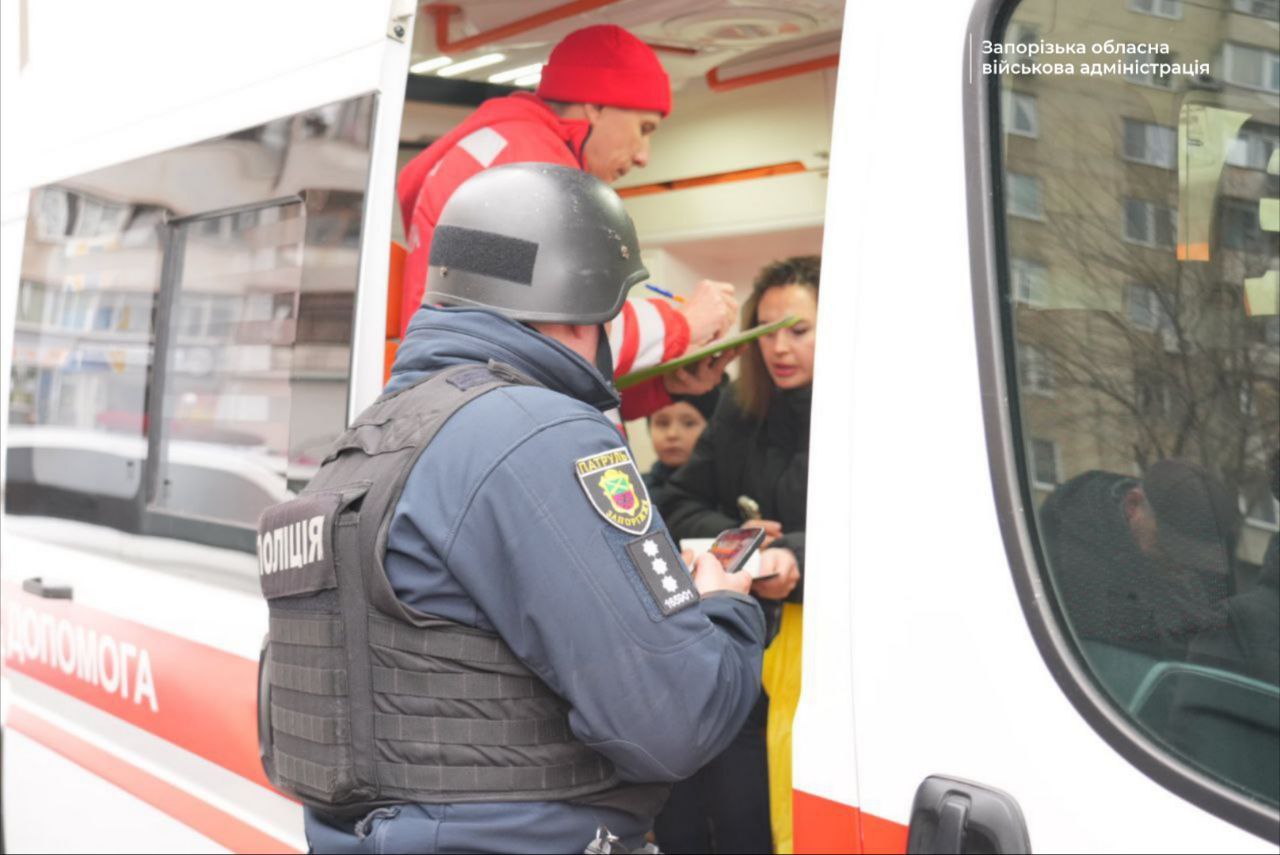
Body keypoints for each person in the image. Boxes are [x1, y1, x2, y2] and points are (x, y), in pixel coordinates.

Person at [258, 164, 766, 854]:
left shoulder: (364, 446)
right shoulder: (542, 432)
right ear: (584, 305)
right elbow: (674, 719)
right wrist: (725, 604)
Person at [397, 24, 738, 420]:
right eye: (644, 128)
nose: (644, 155)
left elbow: (532, 350)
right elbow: (569, 330)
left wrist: (663, 386)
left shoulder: (497, 156)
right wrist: (685, 323)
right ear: (596, 105)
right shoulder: (530, 170)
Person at [655, 256, 819, 854]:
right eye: (766, 332)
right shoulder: (740, 409)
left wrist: (795, 555)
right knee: (741, 820)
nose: (779, 348)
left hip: (823, 657)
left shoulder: (863, 415)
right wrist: (744, 541)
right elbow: (675, 502)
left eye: (798, 330)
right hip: (742, 652)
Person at [1038, 459, 1239, 668]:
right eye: (1169, 548)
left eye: (1196, 558)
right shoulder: (1078, 571)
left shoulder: (1205, 575)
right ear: (1132, 505)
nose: (1182, 565)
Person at [643, 380, 725, 495]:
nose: (672, 434)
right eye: (662, 423)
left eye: (688, 423)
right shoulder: (637, 491)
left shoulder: (727, 491)